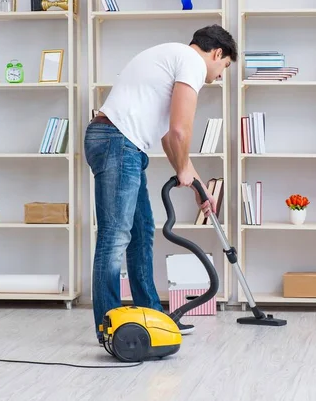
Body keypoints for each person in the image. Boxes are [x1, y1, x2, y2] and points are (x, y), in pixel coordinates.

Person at [84, 24, 237, 343]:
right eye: (224, 67)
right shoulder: (192, 62)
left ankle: (152, 318)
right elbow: (181, 131)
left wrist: (194, 182)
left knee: (140, 235)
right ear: (217, 53)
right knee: (115, 237)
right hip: (117, 142)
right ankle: (110, 328)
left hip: (122, 143)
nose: (221, 75)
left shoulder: (173, 57)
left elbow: (169, 135)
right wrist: (183, 170)